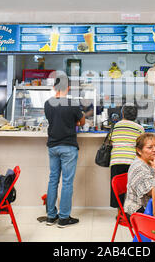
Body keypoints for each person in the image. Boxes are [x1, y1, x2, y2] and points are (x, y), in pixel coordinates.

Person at [44, 74, 85, 228]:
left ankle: (50, 216)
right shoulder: (72, 103)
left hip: (52, 146)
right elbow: (82, 121)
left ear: (55, 87)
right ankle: (63, 218)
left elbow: (51, 120)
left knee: (53, 180)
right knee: (67, 182)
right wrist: (73, 121)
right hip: (68, 146)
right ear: (68, 88)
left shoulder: (47, 103)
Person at [109, 104, 145, 209]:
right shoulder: (139, 128)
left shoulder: (115, 126)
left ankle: (119, 212)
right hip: (132, 162)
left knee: (118, 188)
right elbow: (141, 144)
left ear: (122, 113)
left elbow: (111, 141)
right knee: (132, 188)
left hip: (117, 160)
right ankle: (130, 211)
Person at [124, 133, 155, 219]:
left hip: (154, 204)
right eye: (150, 147)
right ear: (139, 150)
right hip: (139, 209)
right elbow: (152, 192)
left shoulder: (152, 160)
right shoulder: (138, 167)